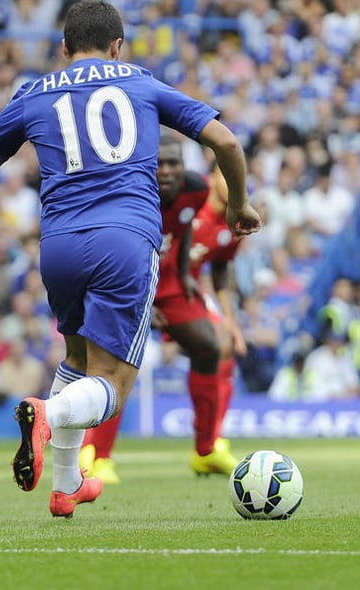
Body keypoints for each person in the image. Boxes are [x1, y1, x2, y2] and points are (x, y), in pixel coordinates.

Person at [0, 0, 260, 518]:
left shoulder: (33, 94)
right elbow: (227, 143)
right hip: (125, 239)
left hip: (57, 246)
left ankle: (67, 485)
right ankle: (47, 412)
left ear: (64, 47)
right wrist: (238, 204)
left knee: (77, 362)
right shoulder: (142, 83)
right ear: (118, 45)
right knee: (113, 385)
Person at [82, 149, 249, 482]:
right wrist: (142, 300)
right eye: (160, 163)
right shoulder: (134, 195)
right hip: (131, 286)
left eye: (174, 164)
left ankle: (208, 448)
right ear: (212, 175)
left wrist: (187, 274)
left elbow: (213, 263)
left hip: (173, 287)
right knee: (119, 364)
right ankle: (95, 455)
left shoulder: (204, 202)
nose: (167, 170)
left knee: (215, 345)